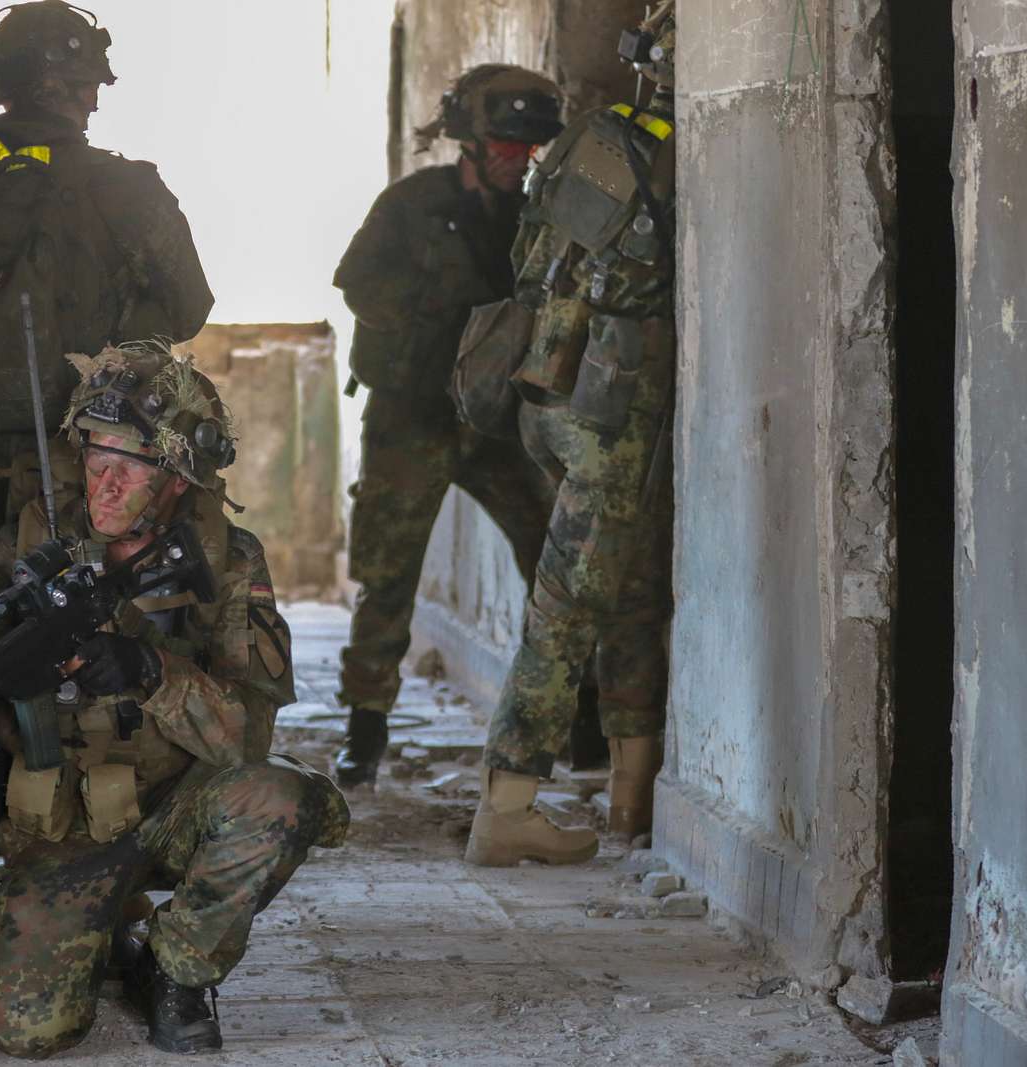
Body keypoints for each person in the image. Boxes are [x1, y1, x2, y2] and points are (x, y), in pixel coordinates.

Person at [0, 345, 349, 1057]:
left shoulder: (228, 558)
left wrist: (149, 668)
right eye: (94, 456)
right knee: (31, 1026)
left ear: (176, 476)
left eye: (129, 466)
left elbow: (247, 733)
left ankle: (175, 971)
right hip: (62, 826)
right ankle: (68, 922)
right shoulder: (38, 532)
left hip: (174, 806)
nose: (103, 484)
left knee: (279, 796)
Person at [465, 6, 678, 867]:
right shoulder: (677, 160)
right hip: (608, 414)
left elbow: (526, 255)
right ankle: (507, 802)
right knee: (566, 612)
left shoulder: (591, 137)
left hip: (547, 397)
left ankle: (631, 794)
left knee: (625, 591)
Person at [0, 0, 214, 590]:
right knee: (80, 624)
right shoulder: (127, 188)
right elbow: (188, 308)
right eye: (84, 86)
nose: (94, 100)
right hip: (91, 449)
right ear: (59, 90)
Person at [330, 65, 566, 788]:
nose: (515, 157)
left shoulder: (539, 212)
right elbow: (357, 281)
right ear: (469, 138)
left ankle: (560, 720)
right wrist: (443, 304)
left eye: (527, 147)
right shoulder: (413, 203)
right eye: (502, 142)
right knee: (388, 571)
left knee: (553, 551)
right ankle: (366, 726)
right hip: (412, 410)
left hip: (496, 418)